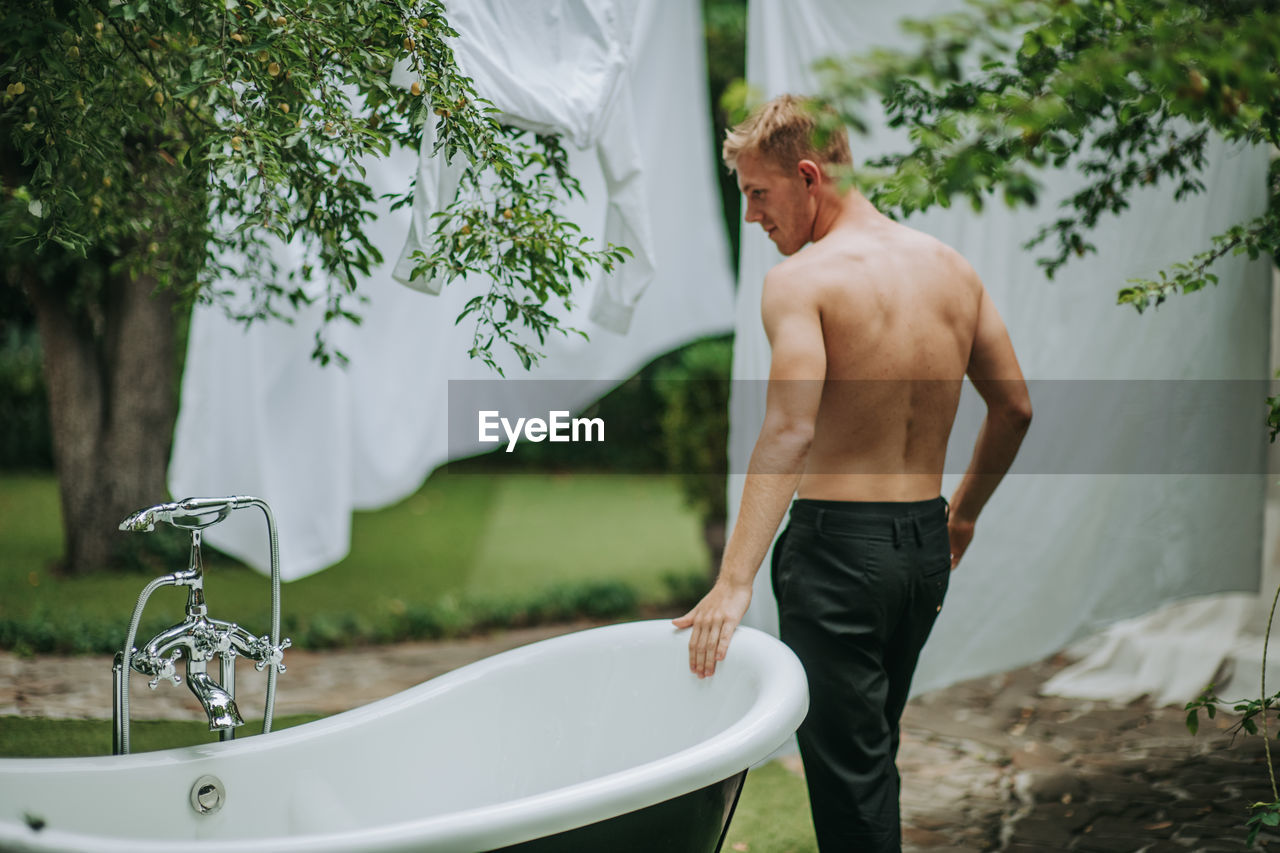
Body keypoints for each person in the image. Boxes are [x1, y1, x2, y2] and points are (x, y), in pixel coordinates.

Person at [673, 94, 1033, 852]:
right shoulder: (952, 270)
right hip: (922, 553)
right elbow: (1015, 408)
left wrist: (734, 579)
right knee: (870, 751)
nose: (753, 217)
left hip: (838, 556)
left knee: (849, 775)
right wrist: (961, 513)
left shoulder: (803, 283)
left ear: (809, 175)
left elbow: (790, 428)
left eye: (757, 194)